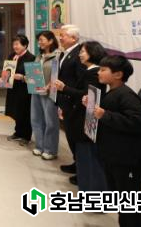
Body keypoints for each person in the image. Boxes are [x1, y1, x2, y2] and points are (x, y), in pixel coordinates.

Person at [88, 55, 141, 227]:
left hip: (128, 160)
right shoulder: (112, 92)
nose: (99, 72)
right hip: (116, 157)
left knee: (130, 205)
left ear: (118, 74)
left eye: (103, 69)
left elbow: (139, 122)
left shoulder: (126, 95)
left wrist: (105, 115)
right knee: (122, 201)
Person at [56, 40, 108, 191]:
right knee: (83, 155)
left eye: (83, 52)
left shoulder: (94, 73)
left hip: (86, 119)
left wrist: (64, 88)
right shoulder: (89, 71)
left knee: (88, 156)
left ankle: (90, 190)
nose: (79, 54)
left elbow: (87, 96)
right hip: (80, 116)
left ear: (93, 53)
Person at [56, 24, 86, 180]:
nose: (60, 38)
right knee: (70, 135)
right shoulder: (64, 53)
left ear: (74, 38)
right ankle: (76, 163)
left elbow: (80, 80)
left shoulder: (79, 55)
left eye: (63, 35)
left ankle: (82, 171)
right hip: (65, 99)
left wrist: (67, 91)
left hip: (74, 101)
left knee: (75, 135)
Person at [30, 31, 60, 160]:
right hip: (36, 91)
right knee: (36, 119)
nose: (40, 42)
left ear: (51, 40)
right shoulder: (39, 56)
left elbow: (57, 74)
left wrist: (48, 85)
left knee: (50, 122)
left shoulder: (57, 55)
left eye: (42, 39)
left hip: (50, 93)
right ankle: (39, 146)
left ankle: (50, 150)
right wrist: (29, 78)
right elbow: (34, 72)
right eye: (39, 40)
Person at [4, 34, 36, 145]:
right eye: (14, 44)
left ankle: (26, 136)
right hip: (13, 89)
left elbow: (33, 79)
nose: (15, 46)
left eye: (17, 44)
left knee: (25, 112)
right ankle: (18, 132)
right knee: (16, 111)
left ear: (25, 45)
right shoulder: (12, 55)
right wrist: (3, 78)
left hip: (24, 90)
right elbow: (7, 72)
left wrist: (22, 77)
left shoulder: (31, 58)